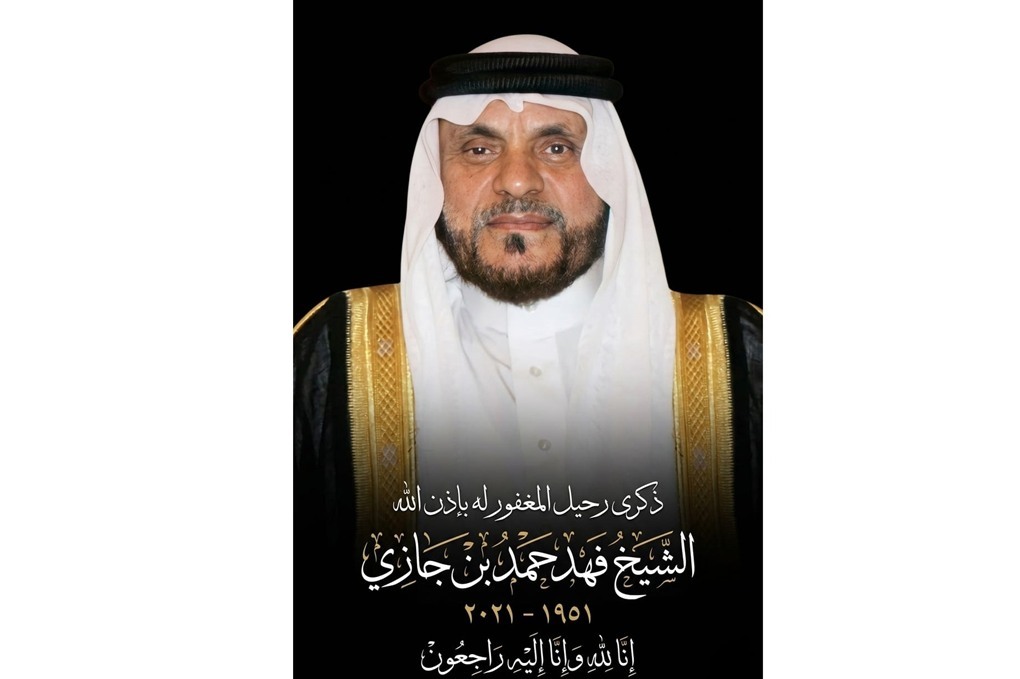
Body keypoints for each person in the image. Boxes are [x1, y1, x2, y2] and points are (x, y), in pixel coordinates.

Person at [294, 34, 761, 674]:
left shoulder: (738, 352)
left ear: (609, 174)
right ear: (437, 177)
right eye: (479, 148)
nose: (517, 179)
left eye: (557, 147)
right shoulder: (333, 352)